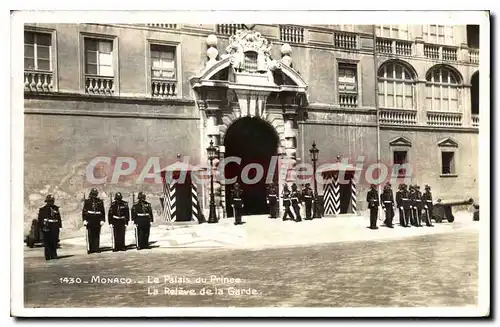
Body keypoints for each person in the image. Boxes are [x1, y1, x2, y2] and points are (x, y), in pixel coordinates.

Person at [38, 194, 62, 260]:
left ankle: (54, 254)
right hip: (47, 227)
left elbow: (58, 218)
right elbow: (40, 220)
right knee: (47, 242)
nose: (51, 202)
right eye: (49, 201)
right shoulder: (43, 209)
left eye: (52, 201)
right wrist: (42, 227)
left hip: (54, 227)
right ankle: (48, 255)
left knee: (54, 241)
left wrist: (59, 226)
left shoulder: (56, 208)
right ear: (47, 201)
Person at [82, 188, 105, 254]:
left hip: (97, 220)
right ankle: (91, 248)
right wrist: (84, 220)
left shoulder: (100, 201)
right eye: (93, 194)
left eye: (95, 194)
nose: (94, 196)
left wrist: (102, 220)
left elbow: (102, 211)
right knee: (90, 234)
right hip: (90, 219)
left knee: (97, 235)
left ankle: (96, 248)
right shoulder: (87, 201)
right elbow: (84, 211)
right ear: (91, 194)